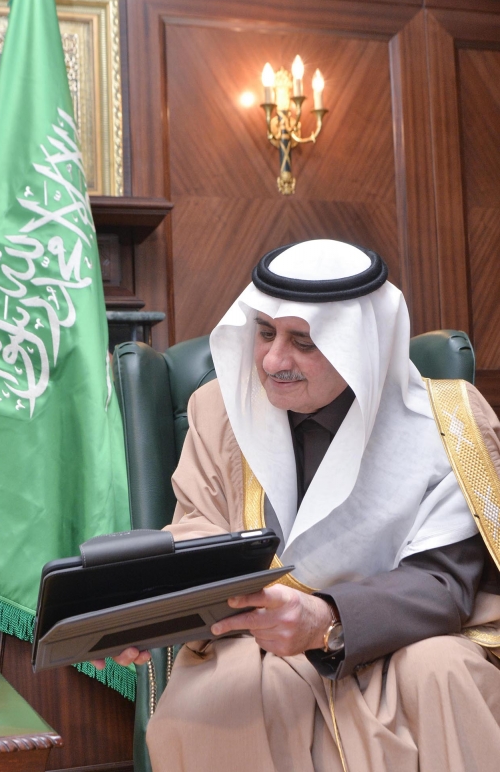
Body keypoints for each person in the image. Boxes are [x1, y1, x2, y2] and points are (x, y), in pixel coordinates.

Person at [110, 239, 500, 771]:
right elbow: (199, 534)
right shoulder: (218, 411)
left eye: (303, 342)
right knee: (211, 704)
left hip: (398, 636)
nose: (274, 360)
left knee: (444, 673)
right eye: (265, 332)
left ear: (360, 345)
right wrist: (142, 616)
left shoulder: (448, 420)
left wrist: (329, 620)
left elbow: (446, 580)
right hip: (254, 641)